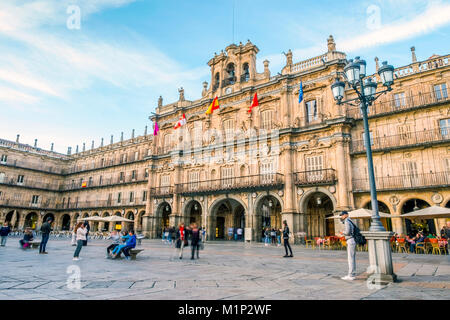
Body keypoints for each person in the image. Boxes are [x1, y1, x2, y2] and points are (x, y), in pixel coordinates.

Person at [339, 211, 356, 280]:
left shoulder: (347, 221)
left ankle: (351, 275)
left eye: (342, 215)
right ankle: (352, 273)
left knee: (350, 258)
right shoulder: (350, 220)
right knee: (352, 257)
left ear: (346, 215)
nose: (342, 216)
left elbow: (348, 232)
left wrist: (342, 232)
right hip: (352, 239)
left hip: (350, 240)